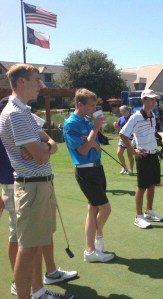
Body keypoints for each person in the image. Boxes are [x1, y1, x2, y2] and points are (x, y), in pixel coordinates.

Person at [0, 64, 73, 299]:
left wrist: (45, 147)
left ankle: (38, 292)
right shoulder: (15, 113)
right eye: (36, 79)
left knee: (35, 245)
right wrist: (44, 148)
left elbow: (49, 143)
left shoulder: (24, 113)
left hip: (39, 184)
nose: (41, 85)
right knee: (28, 248)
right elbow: (42, 155)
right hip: (31, 186)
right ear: (21, 82)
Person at [63, 88, 115, 263]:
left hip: (97, 168)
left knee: (93, 209)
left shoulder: (87, 121)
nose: (94, 108)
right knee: (105, 209)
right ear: (80, 105)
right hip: (85, 170)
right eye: (91, 105)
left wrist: (92, 136)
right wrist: (94, 130)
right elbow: (84, 150)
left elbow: (97, 149)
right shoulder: (71, 124)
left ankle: (90, 250)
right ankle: (95, 240)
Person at [119, 89, 163, 229]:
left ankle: (149, 212)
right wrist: (133, 151)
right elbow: (123, 134)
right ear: (144, 100)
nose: (154, 101)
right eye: (151, 99)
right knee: (142, 187)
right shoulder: (136, 117)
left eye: (155, 99)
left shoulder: (152, 116)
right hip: (143, 155)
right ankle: (138, 217)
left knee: (152, 184)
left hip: (153, 154)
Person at [113, 105, 134, 175]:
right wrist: (115, 126)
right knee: (119, 153)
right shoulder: (121, 118)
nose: (121, 112)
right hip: (122, 138)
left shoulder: (132, 118)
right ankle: (124, 167)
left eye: (123, 111)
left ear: (128, 111)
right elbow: (118, 128)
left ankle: (131, 169)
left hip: (130, 138)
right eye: (121, 111)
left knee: (130, 154)